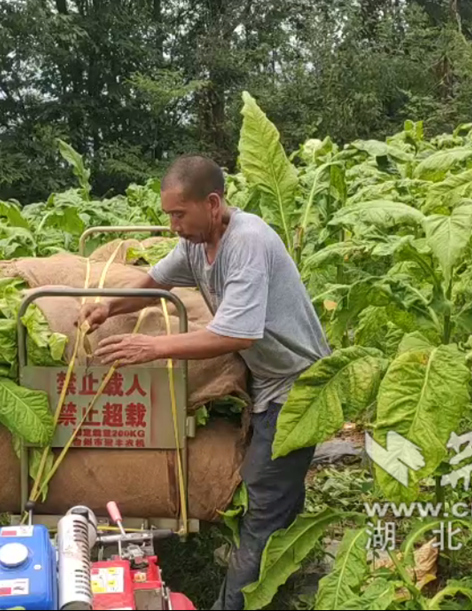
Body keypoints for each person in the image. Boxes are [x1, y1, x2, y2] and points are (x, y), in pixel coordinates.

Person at [78, 154, 331, 610]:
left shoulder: (247, 243)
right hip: (267, 377)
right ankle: (289, 571)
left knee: (263, 494)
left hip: (300, 384)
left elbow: (239, 332)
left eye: (179, 213)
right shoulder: (197, 242)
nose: (173, 224)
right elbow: (156, 280)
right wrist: (108, 307)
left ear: (212, 203)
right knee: (277, 491)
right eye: (168, 215)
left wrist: (151, 349)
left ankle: (237, 601)